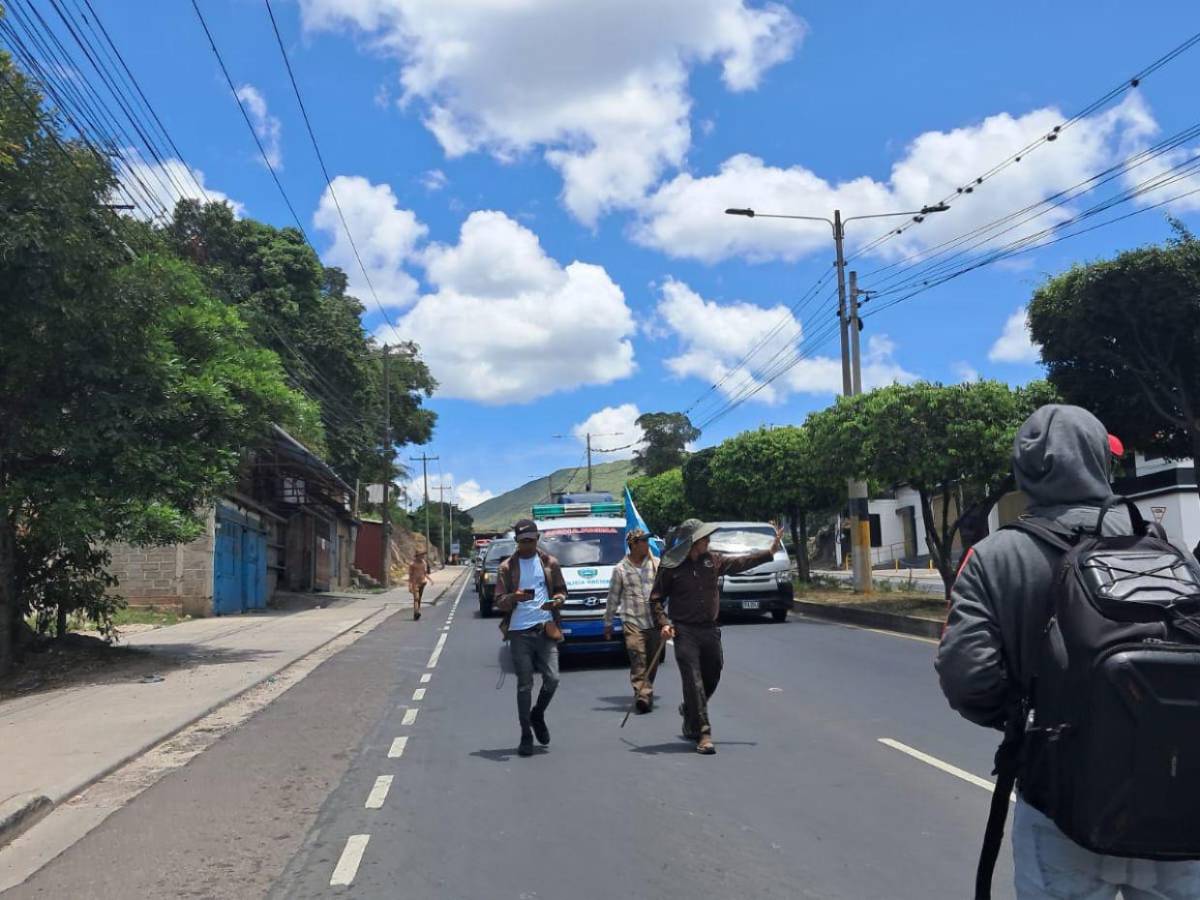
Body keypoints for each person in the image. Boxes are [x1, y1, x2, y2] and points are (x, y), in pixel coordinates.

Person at [937, 405, 1200, 899]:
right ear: (1103, 460)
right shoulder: (1170, 549)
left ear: (1023, 470)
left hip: (1060, 804)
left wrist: (1031, 721)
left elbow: (967, 676)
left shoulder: (996, 557)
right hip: (1177, 799)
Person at [650, 518, 782, 755]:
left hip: (710, 629)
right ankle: (704, 732)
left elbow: (741, 562)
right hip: (684, 631)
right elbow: (656, 598)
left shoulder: (713, 560)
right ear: (693, 541)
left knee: (714, 672)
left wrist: (769, 552)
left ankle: (690, 710)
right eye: (704, 538)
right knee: (693, 680)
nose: (708, 541)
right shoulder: (670, 567)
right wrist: (663, 623)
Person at [494, 519, 567, 758]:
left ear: (538, 539)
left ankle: (537, 714)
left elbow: (561, 590)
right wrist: (513, 597)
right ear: (517, 541)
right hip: (519, 632)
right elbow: (499, 600)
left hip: (545, 627)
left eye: (532, 540)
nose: (529, 545)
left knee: (553, 678)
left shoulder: (549, 562)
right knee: (525, 684)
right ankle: (526, 734)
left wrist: (557, 600)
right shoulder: (507, 567)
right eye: (524, 541)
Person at [604, 528, 661, 713]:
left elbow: (668, 589)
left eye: (647, 541)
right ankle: (642, 695)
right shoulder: (620, 569)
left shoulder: (656, 564)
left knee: (652, 661)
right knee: (638, 659)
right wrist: (608, 622)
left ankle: (646, 689)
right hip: (632, 620)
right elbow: (613, 597)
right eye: (643, 541)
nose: (647, 544)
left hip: (654, 621)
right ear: (633, 545)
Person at [408, 550, 430, 621]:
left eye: (423, 555)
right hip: (415, 584)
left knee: (419, 598)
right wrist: (410, 585)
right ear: (417, 556)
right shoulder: (412, 564)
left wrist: (430, 580)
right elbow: (410, 576)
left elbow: (425, 573)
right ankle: (416, 612)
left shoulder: (424, 563)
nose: (423, 556)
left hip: (422, 583)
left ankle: (417, 613)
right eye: (421, 555)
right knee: (416, 598)